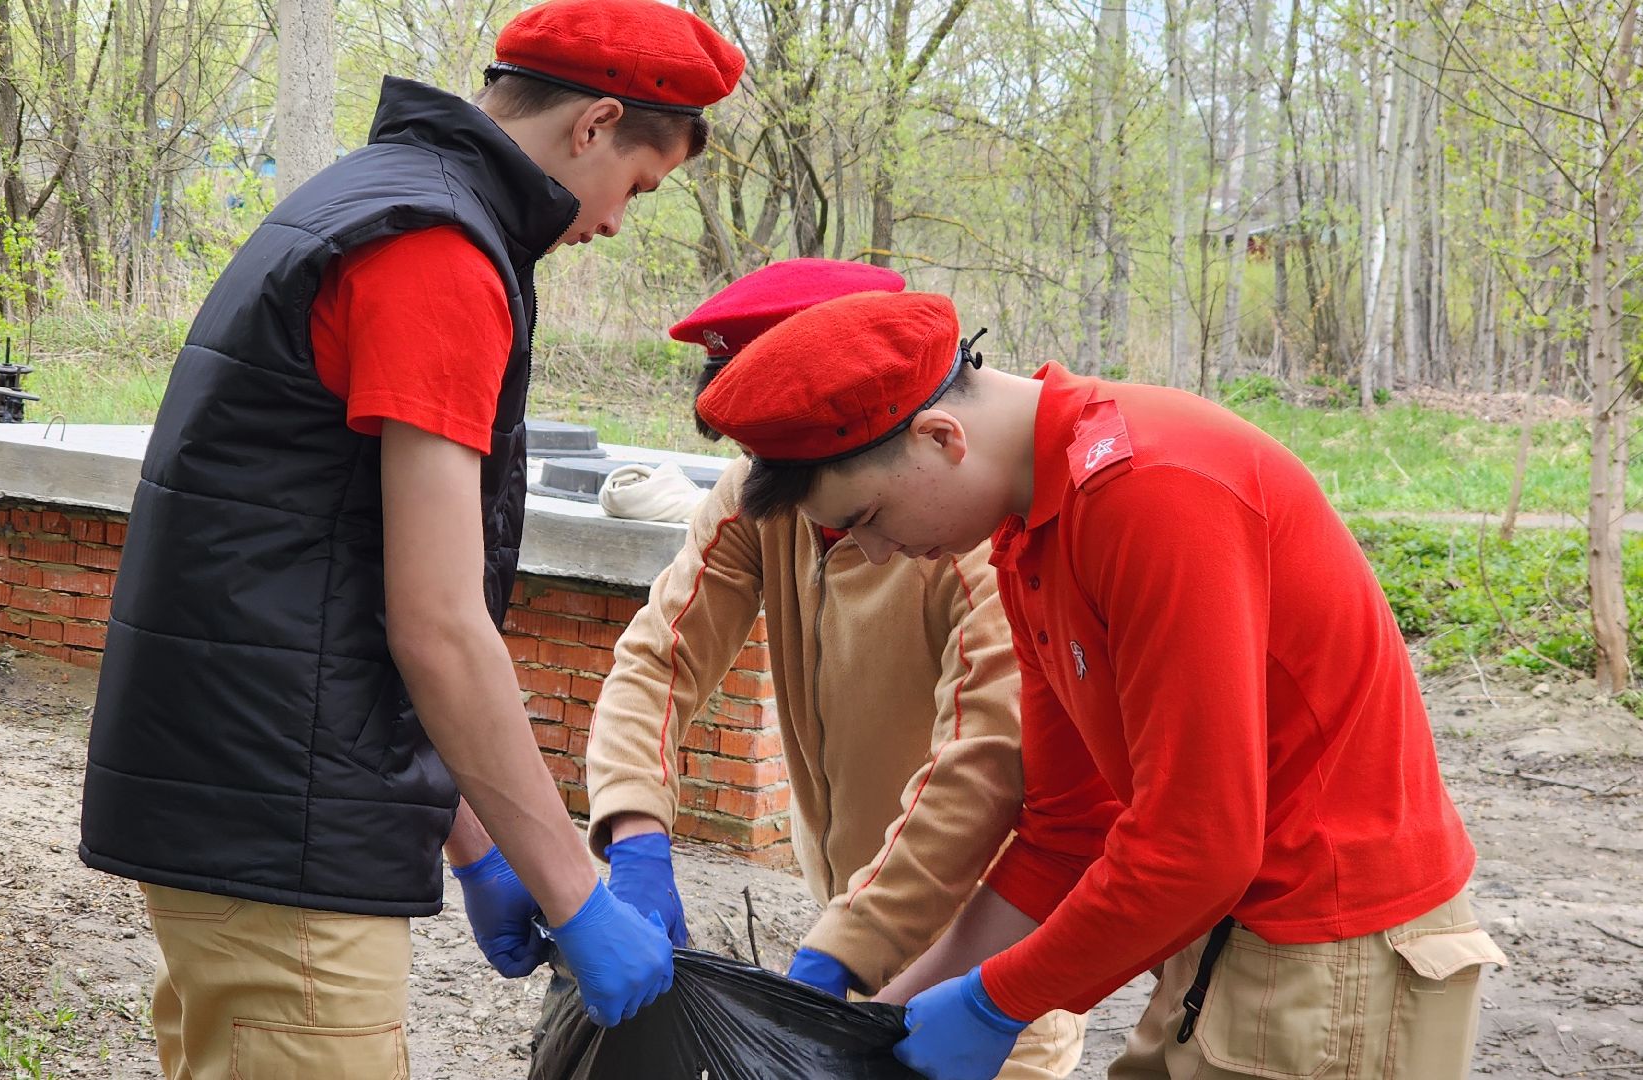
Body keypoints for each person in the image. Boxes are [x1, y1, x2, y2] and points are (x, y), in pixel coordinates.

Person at [77, 3, 744, 1075]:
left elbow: (329, 575)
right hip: (281, 824)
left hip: (248, 795)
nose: (619, 222)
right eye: (639, 185)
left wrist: (474, 843)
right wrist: (575, 895)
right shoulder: (437, 256)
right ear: (595, 124)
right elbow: (436, 623)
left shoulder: (375, 199)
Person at [691, 289, 1508, 1080]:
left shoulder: (1151, 492)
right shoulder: (1029, 534)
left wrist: (994, 1003)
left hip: (1330, 951)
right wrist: (884, 1017)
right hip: (1221, 942)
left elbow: (1200, 846)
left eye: (867, 518)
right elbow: (1067, 831)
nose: (873, 554)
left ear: (941, 437)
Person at [584, 259, 1097, 1078]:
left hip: (982, 961)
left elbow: (983, 764)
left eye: (779, 446)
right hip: (851, 929)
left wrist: (845, 948)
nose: (762, 471)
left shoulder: (968, 534)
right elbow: (658, 659)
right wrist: (635, 829)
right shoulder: (760, 500)